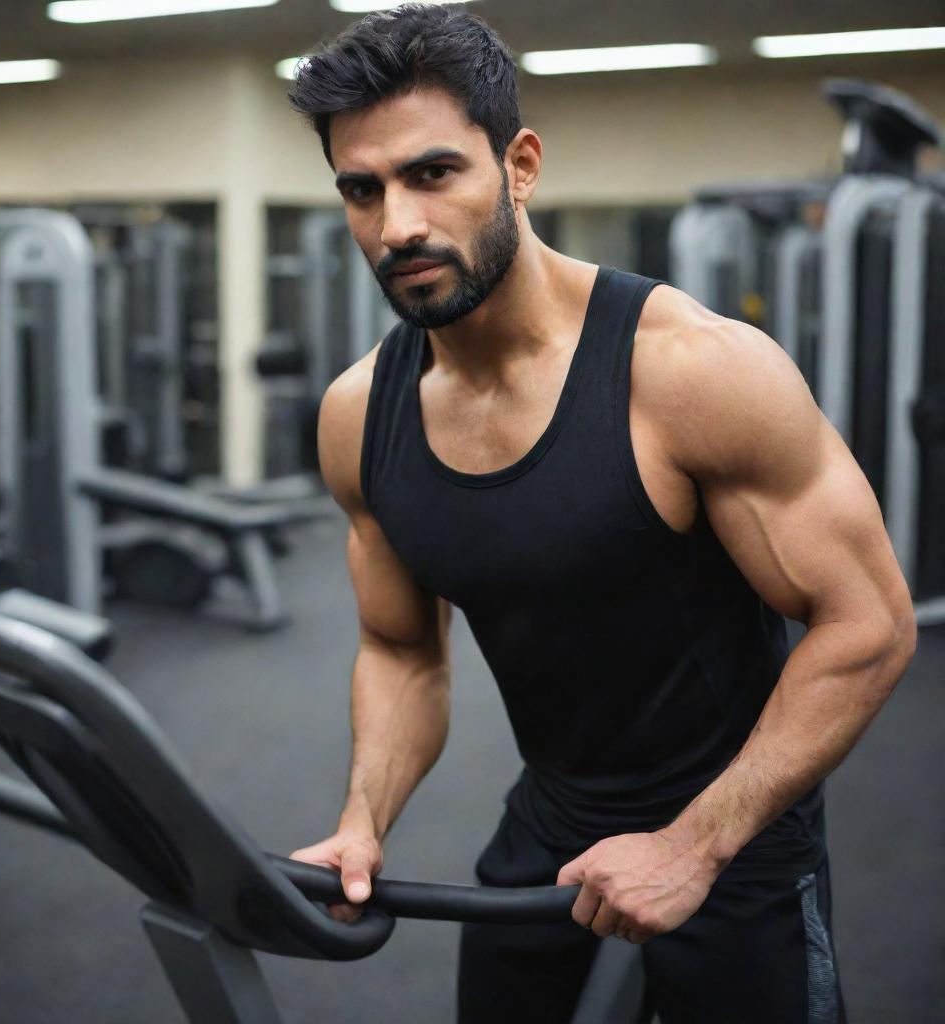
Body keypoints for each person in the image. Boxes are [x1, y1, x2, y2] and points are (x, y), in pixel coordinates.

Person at [285, 5, 916, 1022]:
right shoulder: (361, 415)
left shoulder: (690, 373)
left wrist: (692, 844)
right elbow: (402, 652)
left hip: (737, 836)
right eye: (362, 189)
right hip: (551, 820)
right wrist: (364, 818)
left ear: (519, 166)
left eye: (432, 173)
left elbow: (869, 622)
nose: (395, 224)